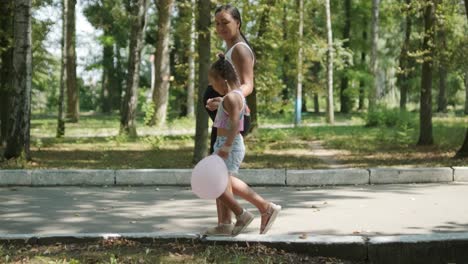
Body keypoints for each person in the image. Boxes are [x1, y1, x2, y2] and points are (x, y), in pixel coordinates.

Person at [204, 3, 266, 236]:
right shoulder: (230, 49)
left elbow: (248, 84)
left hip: (232, 114)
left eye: (225, 22)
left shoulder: (240, 49)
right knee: (219, 172)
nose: (220, 27)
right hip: (225, 111)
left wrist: (228, 100)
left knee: (220, 174)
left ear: (238, 23)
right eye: (217, 23)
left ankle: (256, 210)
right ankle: (225, 223)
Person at [205, 54, 281, 236]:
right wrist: (220, 103)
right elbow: (234, 109)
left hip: (228, 144)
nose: (212, 87)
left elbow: (234, 125)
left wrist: (226, 147)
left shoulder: (231, 98)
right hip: (225, 143)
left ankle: (242, 214)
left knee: (214, 180)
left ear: (223, 81)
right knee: (225, 181)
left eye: (213, 83)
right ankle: (265, 208)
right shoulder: (234, 96)